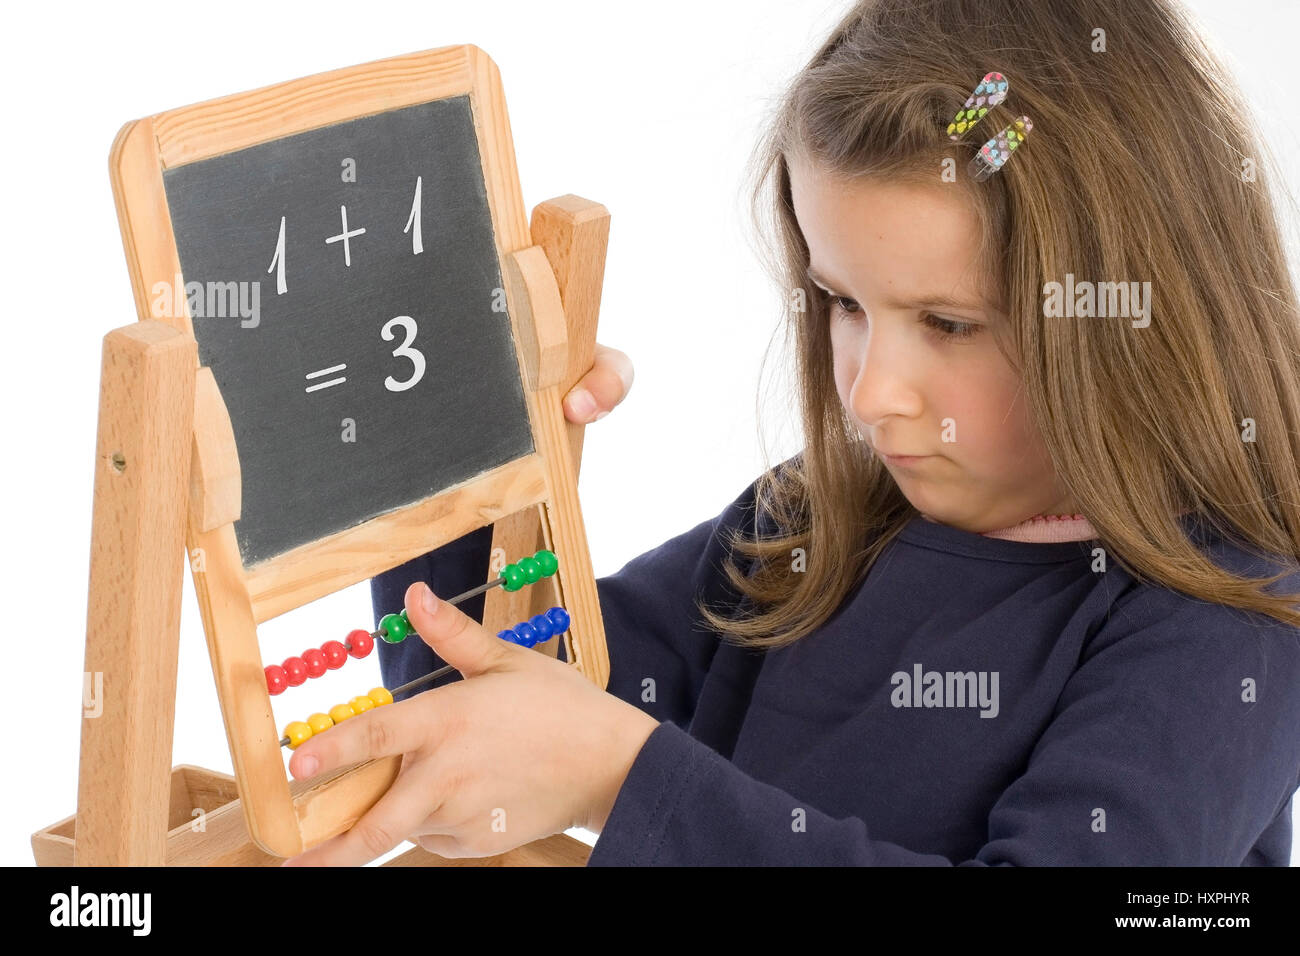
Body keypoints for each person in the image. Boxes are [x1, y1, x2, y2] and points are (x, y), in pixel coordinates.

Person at [282, 0, 1300, 866]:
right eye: (842, 303)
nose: (870, 394)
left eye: (945, 322)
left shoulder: (1234, 617)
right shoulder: (808, 523)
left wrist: (620, 775)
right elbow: (482, 704)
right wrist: (471, 448)